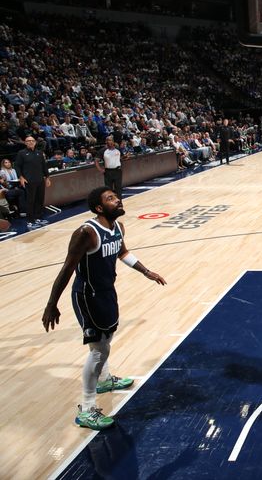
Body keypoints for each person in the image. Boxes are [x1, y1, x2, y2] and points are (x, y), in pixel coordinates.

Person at [41, 187, 166, 430]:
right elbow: (67, 269)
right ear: (99, 208)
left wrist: (147, 272)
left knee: (106, 339)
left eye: (115, 196)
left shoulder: (117, 228)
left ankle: (105, 380)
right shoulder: (86, 232)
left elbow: (123, 253)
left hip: (107, 293)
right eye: (110, 199)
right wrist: (51, 304)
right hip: (87, 296)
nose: (117, 199)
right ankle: (86, 409)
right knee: (98, 350)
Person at [15, 136, 51, 229]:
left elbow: (44, 166)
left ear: (35, 142)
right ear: (25, 143)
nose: (30, 142)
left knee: (40, 199)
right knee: (31, 201)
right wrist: (21, 177)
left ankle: (38, 218)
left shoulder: (39, 153)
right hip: (29, 181)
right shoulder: (21, 153)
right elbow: (17, 166)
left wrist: (47, 177)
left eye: (32, 141)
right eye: (28, 141)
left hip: (40, 180)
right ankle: (30, 221)